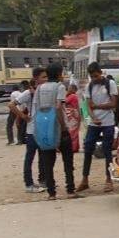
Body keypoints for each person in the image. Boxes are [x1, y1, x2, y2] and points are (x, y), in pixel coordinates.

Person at [33, 63, 78, 200]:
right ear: (59, 74)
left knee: (48, 161)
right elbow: (59, 107)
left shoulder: (39, 88)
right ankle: (70, 190)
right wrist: (63, 126)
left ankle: (51, 193)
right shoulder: (60, 87)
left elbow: (36, 108)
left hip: (44, 128)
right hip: (59, 127)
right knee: (68, 160)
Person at [79, 62, 119, 193]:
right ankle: (85, 180)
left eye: (96, 76)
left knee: (107, 151)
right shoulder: (89, 86)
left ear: (100, 72)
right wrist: (93, 118)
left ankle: (109, 180)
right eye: (92, 77)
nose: (94, 79)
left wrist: (97, 106)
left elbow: (113, 103)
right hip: (94, 123)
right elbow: (88, 105)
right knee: (88, 149)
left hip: (108, 122)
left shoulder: (110, 84)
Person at [13, 72, 46, 193]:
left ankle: (43, 181)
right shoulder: (28, 93)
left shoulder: (45, 91)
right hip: (32, 131)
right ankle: (29, 184)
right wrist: (23, 116)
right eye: (43, 77)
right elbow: (11, 105)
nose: (46, 79)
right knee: (29, 158)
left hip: (43, 130)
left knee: (43, 157)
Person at [6, 80, 28, 145]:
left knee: (9, 125)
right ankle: (20, 140)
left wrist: (17, 113)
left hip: (15, 110)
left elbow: (13, 104)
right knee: (19, 126)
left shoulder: (13, 94)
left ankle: (11, 140)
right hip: (22, 110)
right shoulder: (21, 93)